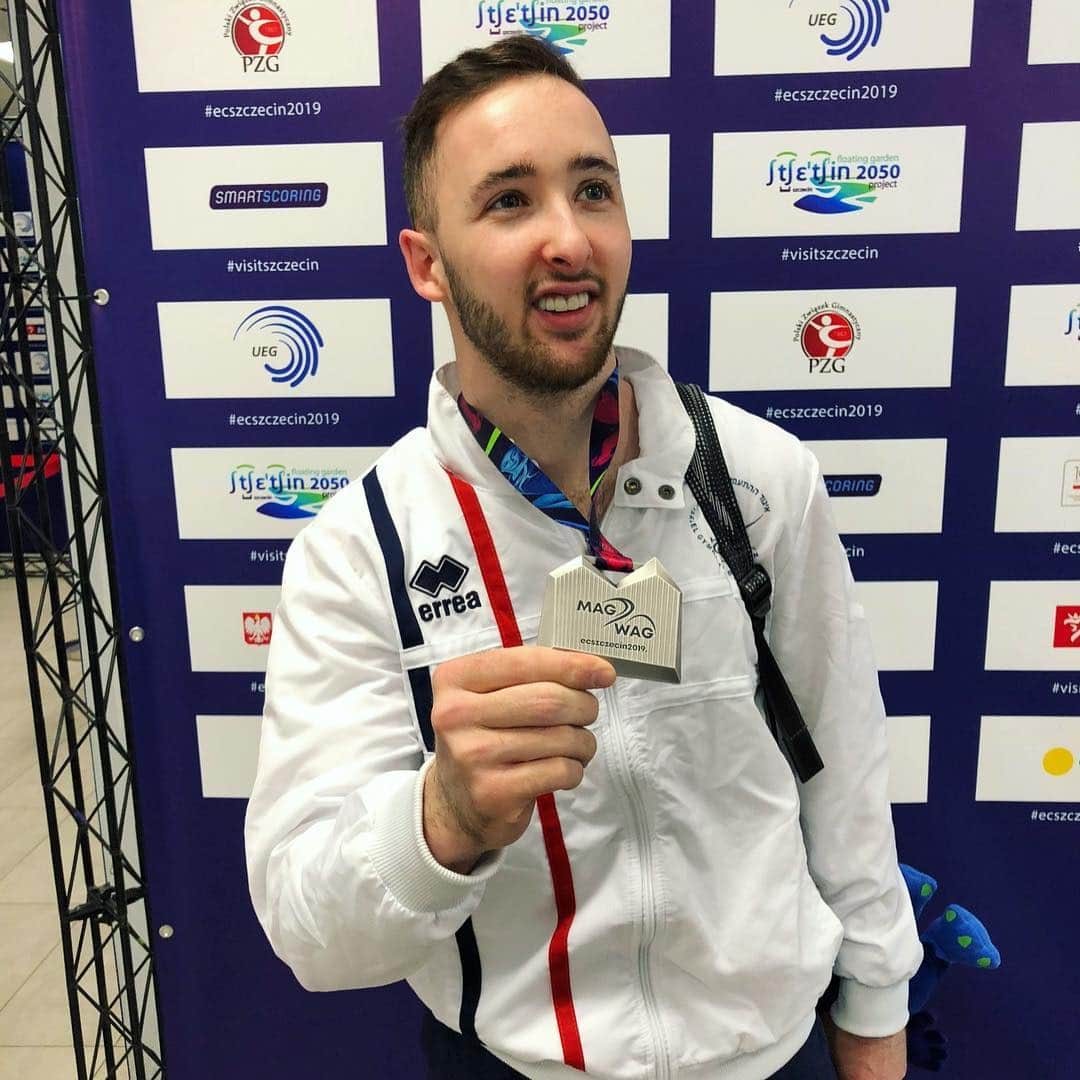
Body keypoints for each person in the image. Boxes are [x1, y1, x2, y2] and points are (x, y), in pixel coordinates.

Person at [244, 36, 921, 1080]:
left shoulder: (759, 481)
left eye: (593, 190)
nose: (569, 239)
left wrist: (875, 1021)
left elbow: (845, 781)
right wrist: (444, 819)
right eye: (509, 201)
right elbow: (310, 931)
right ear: (427, 262)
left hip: (771, 1060)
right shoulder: (360, 549)